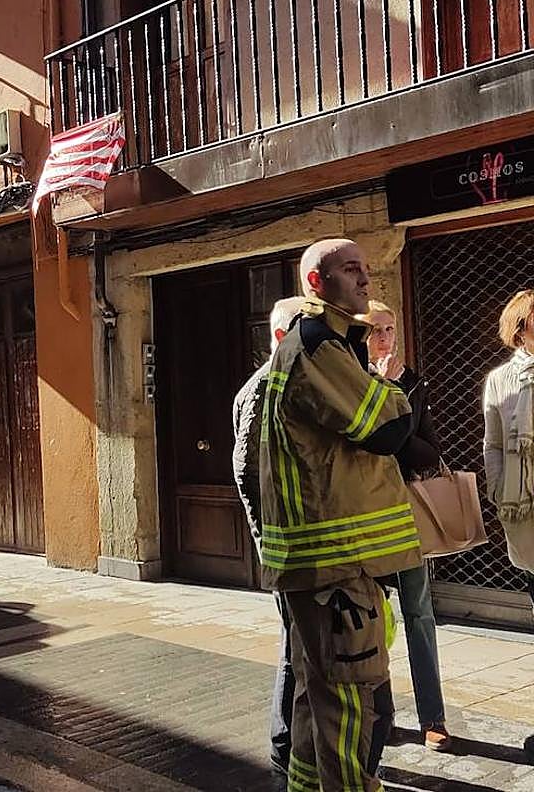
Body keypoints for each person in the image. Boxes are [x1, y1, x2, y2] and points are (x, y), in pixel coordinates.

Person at [260, 239, 421, 792]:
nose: (365, 280)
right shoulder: (316, 342)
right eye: (350, 270)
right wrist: (396, 390)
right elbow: (387, 429)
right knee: (351, 705)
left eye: (366, 270)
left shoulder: (325, 342)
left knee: (318, 701)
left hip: (324, 568)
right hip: (334, 570)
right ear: (315, 282)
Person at [359, 300, 452, 752]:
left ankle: (433, 717)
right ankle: (382, 715)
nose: (385, 338)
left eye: (390, 329)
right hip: (361, 517)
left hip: (406, 516)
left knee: (419, 615)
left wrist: (397, 401)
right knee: (372, 620)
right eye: (376, 330)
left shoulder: (412, 385)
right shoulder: (350, 386)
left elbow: (427, 452)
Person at [232, 295, 308, 776]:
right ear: (281, 336)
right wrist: (269, 539)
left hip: (301, 543)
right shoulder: (264, 388)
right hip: (287, 547)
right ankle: (284, 743)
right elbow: (247, 472)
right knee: (293, 645)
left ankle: (294, 741)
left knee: (302, 644)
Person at [482, 290, 534, 610]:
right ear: (519, 328)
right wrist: (499, 489)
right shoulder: (499, 380)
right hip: (522, 500)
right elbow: (494, 443)